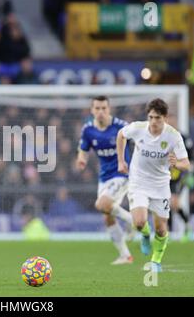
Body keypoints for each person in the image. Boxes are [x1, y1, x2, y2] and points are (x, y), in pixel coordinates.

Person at [117, 98, 190, 273]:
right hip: (138, 182)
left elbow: (186, 163)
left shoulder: (173, 136)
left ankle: (156, 262)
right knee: (140, 221)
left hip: (160, 185)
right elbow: (121, 135)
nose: (153, 122)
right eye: (151, 117)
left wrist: (177, 164)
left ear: (164, 118)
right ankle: (144, 234)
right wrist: (121, 161)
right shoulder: (138, 128)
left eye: (157, 118)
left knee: (161, 228)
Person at [76, 95, 135, 265]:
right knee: (107, 216)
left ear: (109, 109)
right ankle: (125, 255)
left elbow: (140, 140)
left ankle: (131, 219)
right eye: (97, 108)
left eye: (104, 108)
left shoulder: (121, 127)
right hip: (104, 177)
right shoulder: (88, 130)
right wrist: (81, 159)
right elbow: (83, 149)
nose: (101, 112)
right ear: (92, 110)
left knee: (101, 205)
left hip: (122, 173)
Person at [169, 133, 194, 242]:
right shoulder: (161, 136)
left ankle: (187, 227)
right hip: (167, 176)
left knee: (173, 202)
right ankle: (168, 233)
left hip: (180, 175)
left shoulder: (182, 138)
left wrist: (189, 172)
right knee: (167, 204)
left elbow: (190, 157)